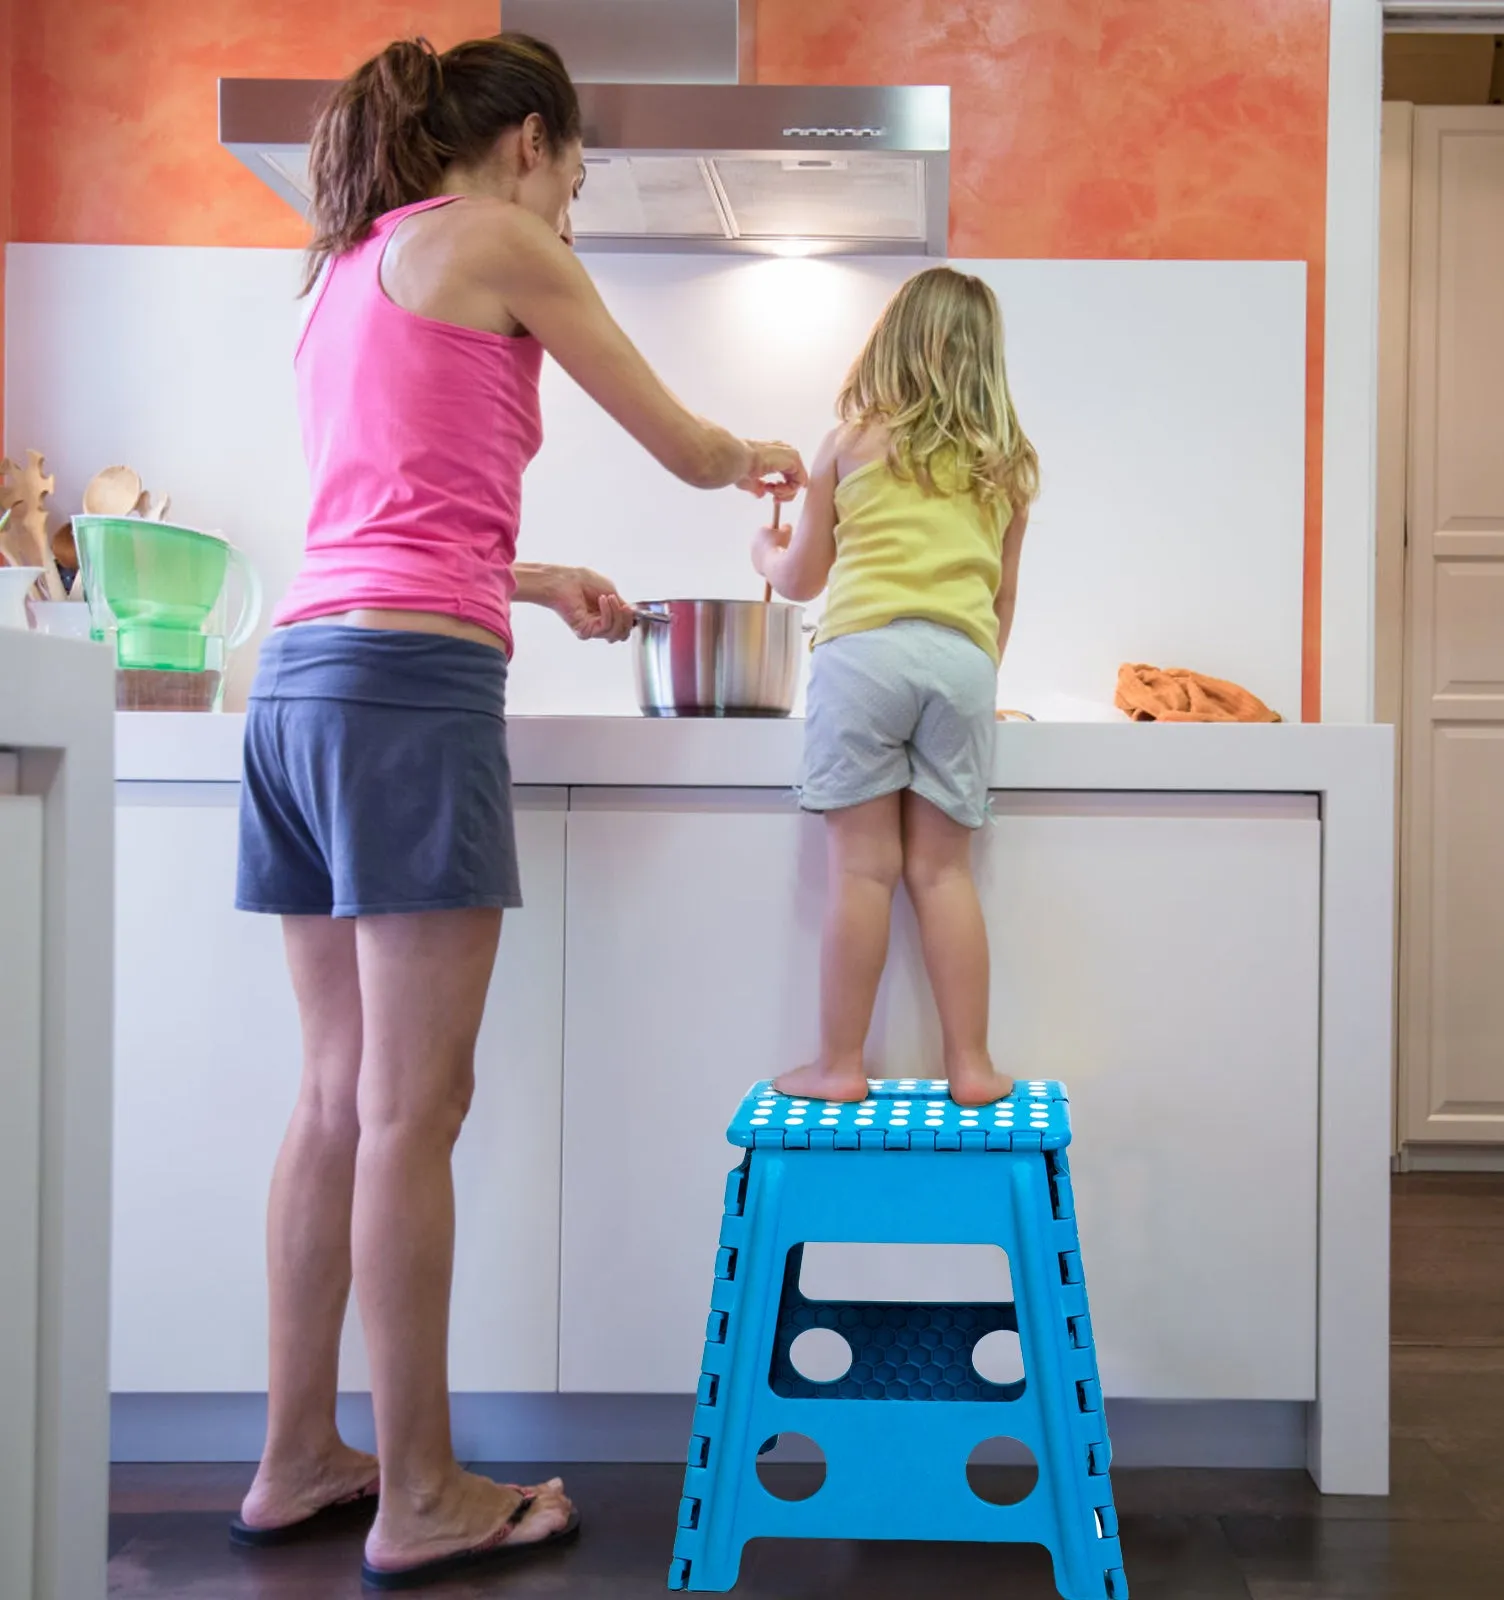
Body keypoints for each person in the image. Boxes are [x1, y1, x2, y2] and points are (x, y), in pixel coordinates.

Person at [227, 32, 805, 1589]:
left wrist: (530, 579)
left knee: (339, 1095)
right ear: (534, 144)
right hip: (405, 698)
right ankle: (419, 1491)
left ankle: (299, 1456)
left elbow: (387, 512)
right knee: (416, 1110)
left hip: (301, 682)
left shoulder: (350, 266)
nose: (572, 204)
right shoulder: (497, 238)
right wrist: (771, 457)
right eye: (577, 175)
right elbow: (686, 448)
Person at [752, 266, 1036, 1110]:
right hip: (961, 662)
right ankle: (973, 1065)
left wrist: (762, 554)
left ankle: (840, 1065)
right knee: (945, 874)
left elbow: (802, 578)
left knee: (863, 873)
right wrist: (979, 679)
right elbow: (1001, 597)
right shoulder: (1008, 465)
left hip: (863, 658)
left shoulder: (851, 441)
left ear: (890, 342)